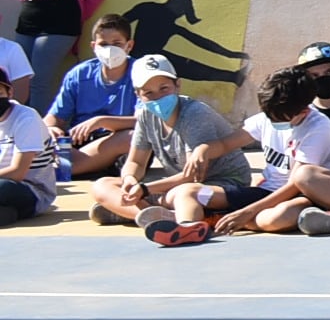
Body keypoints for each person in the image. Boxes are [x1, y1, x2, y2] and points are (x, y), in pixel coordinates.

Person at [94, 56, 260, 246]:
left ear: (178, 85)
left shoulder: (195, 115)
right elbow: (136, 162)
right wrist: (130, 180)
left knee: (181, 193)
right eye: (148, 92)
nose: (157, 97)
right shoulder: (146, 116)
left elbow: (193, 177)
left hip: (221, 186)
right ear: (138, 95)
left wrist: (146, 189)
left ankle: (171, 220)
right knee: (103, 185)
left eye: (164, 89)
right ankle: (154, 217)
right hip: (179, 186)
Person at [220, 64, 330, 236]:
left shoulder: (318, 128)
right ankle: (227, 218)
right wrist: (202, 151)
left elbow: (295, 185)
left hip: (302, 195)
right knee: (194, 193)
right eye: (270, 116)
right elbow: (225, 144)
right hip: (268, 192)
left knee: (278, 217)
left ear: (304, 112)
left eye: (279, 119)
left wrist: (247, 211)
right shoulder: (274, 112)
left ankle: (226, 219)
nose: (272, 121)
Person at [45, 15, 141, 182]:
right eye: (103, 44)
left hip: (116, 140)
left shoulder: (140, 73)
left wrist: (101, 121)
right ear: (94, 47)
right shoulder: (79, 74)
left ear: (129, 45)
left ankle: (67, 169)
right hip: (79, 141)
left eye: (117, 44)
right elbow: (54, 117)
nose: (110, 49)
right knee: (37, 131)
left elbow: (146, 121)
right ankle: (84, 166)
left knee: (134, 137)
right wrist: (50, 129)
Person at [0, 61, 57, 227]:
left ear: (9, 92)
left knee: (3, 187)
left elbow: (18, 172)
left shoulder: (26, 118)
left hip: (30, 190)